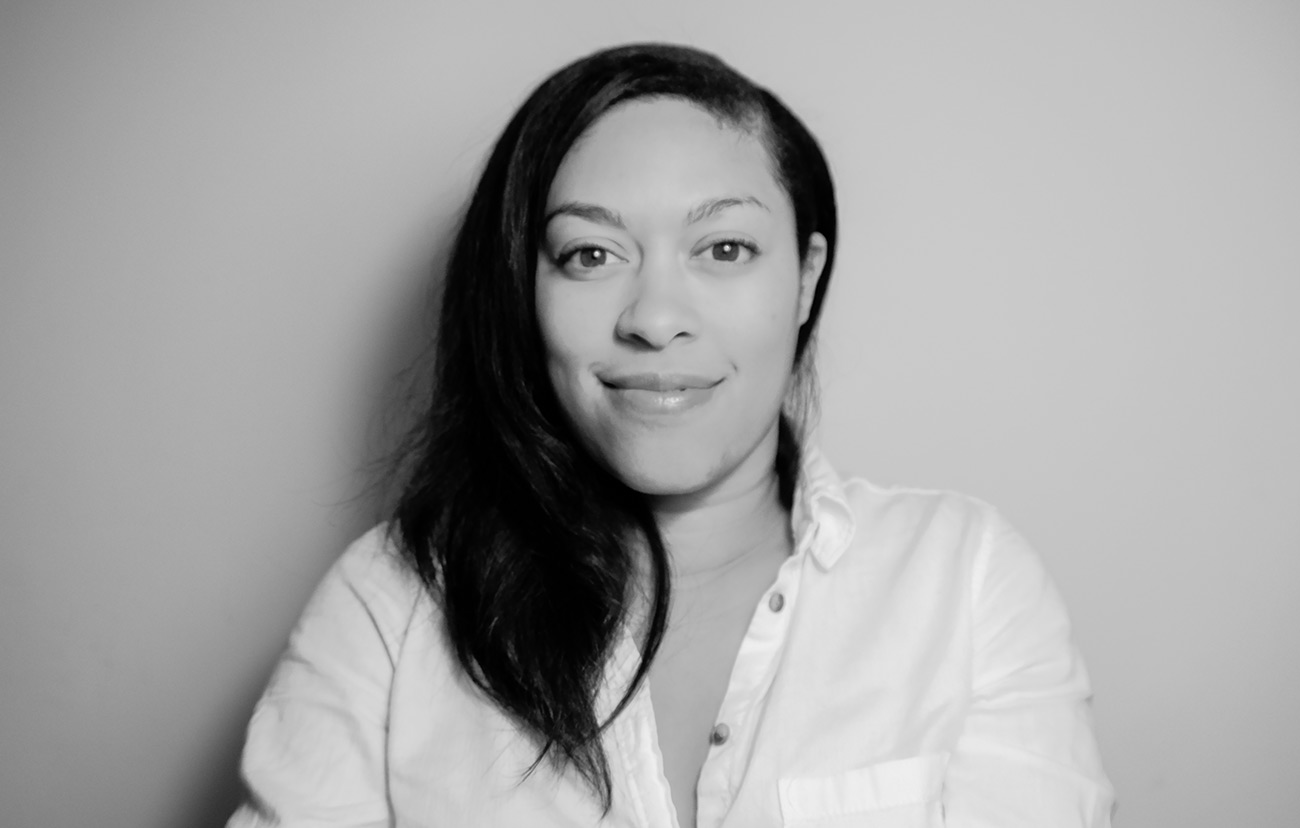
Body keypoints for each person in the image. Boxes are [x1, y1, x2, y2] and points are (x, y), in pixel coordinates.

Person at [228, 43, 1114, 828]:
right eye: (590, 254)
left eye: (724, 249)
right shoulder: (391, 606)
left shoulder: (962, 581)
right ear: (522, 291)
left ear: (806, 281)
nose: (654, 319)